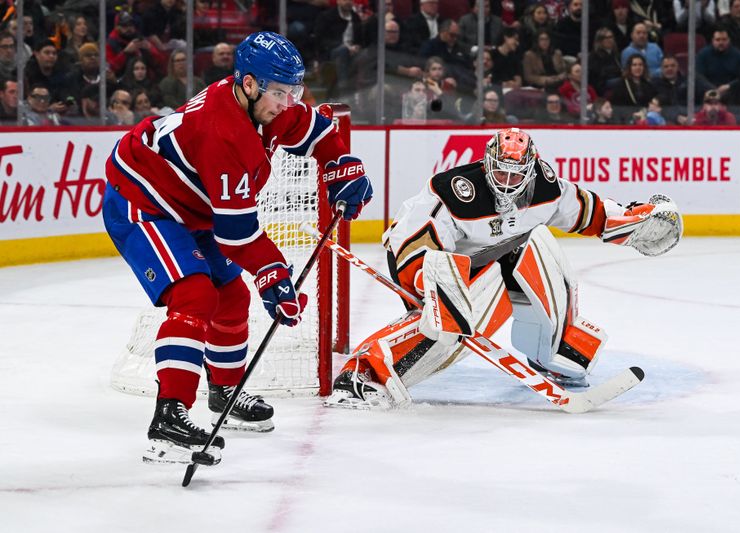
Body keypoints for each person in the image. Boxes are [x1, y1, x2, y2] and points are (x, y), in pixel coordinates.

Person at [102, 31, 373, 465]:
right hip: (143, 204)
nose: (287, 102)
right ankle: (168, 419)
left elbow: (313, 128)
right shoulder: (222, 132)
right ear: (249, 84)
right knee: (195, 295)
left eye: (293, 91)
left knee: (232, 297)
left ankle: (224, 392)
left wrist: (340, 162)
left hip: (192, 207)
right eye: (280, 92)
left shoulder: (263, 104)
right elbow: (237, 235)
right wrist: (275, 273)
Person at [324, 128, 682, 410]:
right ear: (486, 164)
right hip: (437, 265)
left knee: (537, 243)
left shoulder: (546, 187)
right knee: (461, 321)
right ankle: (365, 373)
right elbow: (411, 242)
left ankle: (551, 350)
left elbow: (590, 212)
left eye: (516, 176)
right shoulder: (454, 191)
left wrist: (634, 224)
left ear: (530, 170)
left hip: (495, 255)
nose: (507, 183)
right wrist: (431, 287)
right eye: (500, 172)